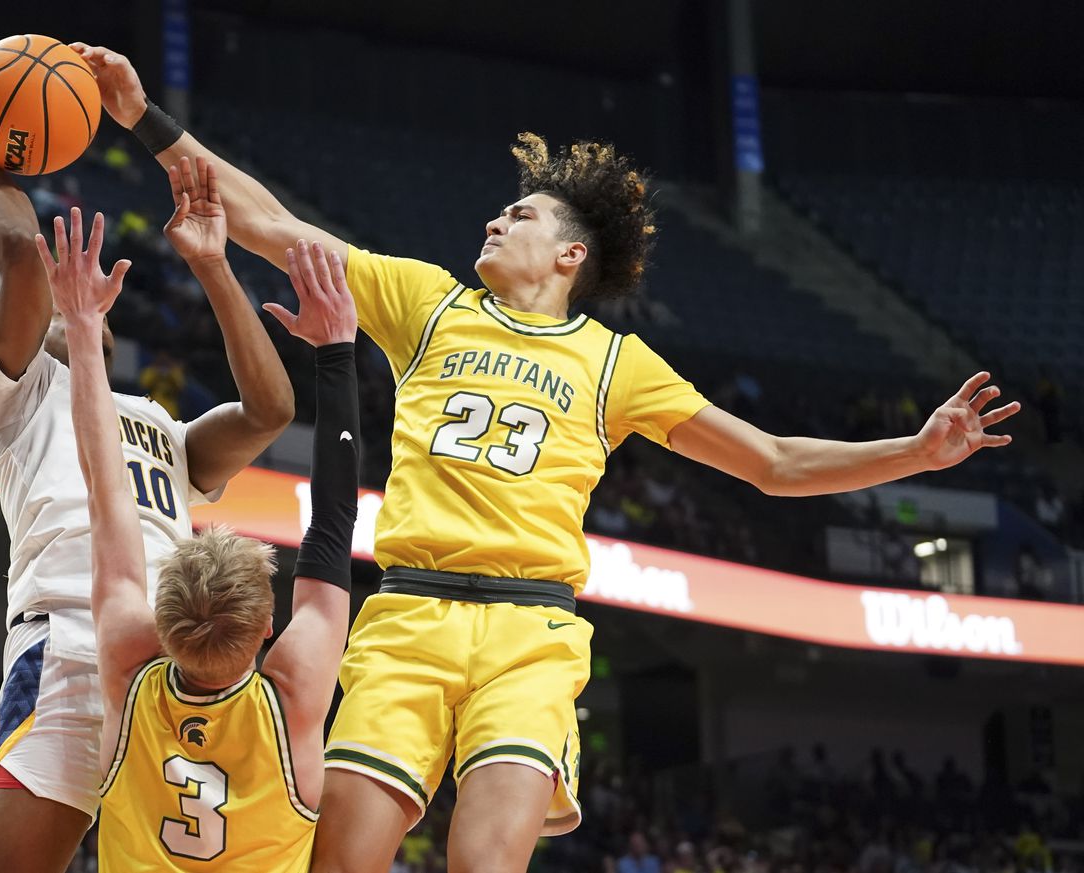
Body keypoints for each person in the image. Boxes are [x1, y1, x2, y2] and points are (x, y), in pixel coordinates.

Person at [73, 45, 1022, 872]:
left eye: (518, 214)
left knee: (484, 860)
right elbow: (270, 224)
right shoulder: (426, 303)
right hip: (407, 615)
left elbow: (770, 460)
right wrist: (147, 123)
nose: (494, 221)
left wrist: (917, 450)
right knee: (342, 858)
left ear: (571, 255)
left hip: (530, 633)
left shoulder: (615, 362)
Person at [0, 79, 294, 872]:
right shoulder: (17, 392)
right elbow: (18, 259)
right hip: (69, 646)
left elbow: (270, 409)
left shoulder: (159, 423)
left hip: (178, 658)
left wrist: (213, 266)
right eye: (56, 307)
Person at [35, 187, 358, 870]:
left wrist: (84, 332)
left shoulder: (129, 663)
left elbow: (108, 496)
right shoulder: (293, 695)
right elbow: (332, 523)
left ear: (162, 615)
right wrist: (336, 356)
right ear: (267, 624)